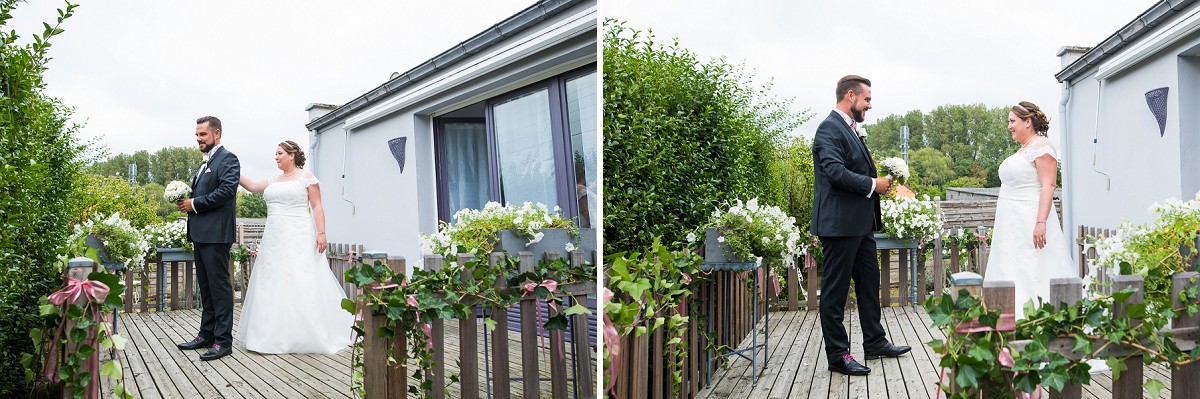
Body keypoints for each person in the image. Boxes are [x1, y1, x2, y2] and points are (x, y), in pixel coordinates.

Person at [811, 75, 911, 376]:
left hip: (860, 226)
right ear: (850, 96)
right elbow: (834, 172)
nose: (870, 104)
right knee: (835, 293)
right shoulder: (829, 128)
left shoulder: (852, 130)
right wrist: (873, 183)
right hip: (840, 227)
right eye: (866, 99)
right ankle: (838, 355)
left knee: (869, 285)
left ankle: (875, 343)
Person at [235, 140, 353, 354]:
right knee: (273, 279)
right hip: (274, 237)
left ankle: (309, 331)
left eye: (279, 153)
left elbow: (317, 206)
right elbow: (252, 187)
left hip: (299, 234)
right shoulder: (273, 180)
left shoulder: (307, 178)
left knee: (301, 277)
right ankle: (272, 333)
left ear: (292, 155)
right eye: (275, 154)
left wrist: (322, 233)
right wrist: (233, 169)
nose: (276, 157)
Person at [984, 101, 1076, 320]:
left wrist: (1040, 222)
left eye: (1012, 121)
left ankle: (1035, 319)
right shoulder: (1024, 149)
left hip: (1029, 220)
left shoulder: (1042, 147)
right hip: (1011, 224)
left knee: (1033, 268)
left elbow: (1048, 185)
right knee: (1012, 267)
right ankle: (1006, 316)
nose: (1009, 126)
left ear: (1028, 121)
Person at [176, 116, 240, 361]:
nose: (198, 139)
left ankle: (223, 341)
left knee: (220, 288)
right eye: (197, 135)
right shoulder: (204, 164)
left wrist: (194, 203)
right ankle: (206, 335)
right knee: (207, 288)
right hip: (200, 234)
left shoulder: (228, 159)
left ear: (217, 134)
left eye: (202, 134)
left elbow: (226, 192)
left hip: (216, 234)